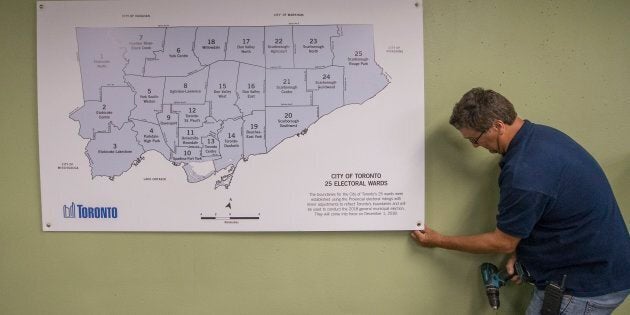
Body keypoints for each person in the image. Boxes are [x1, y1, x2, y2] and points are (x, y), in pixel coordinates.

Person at [411, 88, 630, 314]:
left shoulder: (524, 172)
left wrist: (439, 240)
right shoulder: (541, 137)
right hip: (598, 268)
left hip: (586, 287)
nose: (475, 146)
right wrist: (522, 254)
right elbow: (545, 208)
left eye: (475, 139)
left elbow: (501, 242)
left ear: (498, 125)